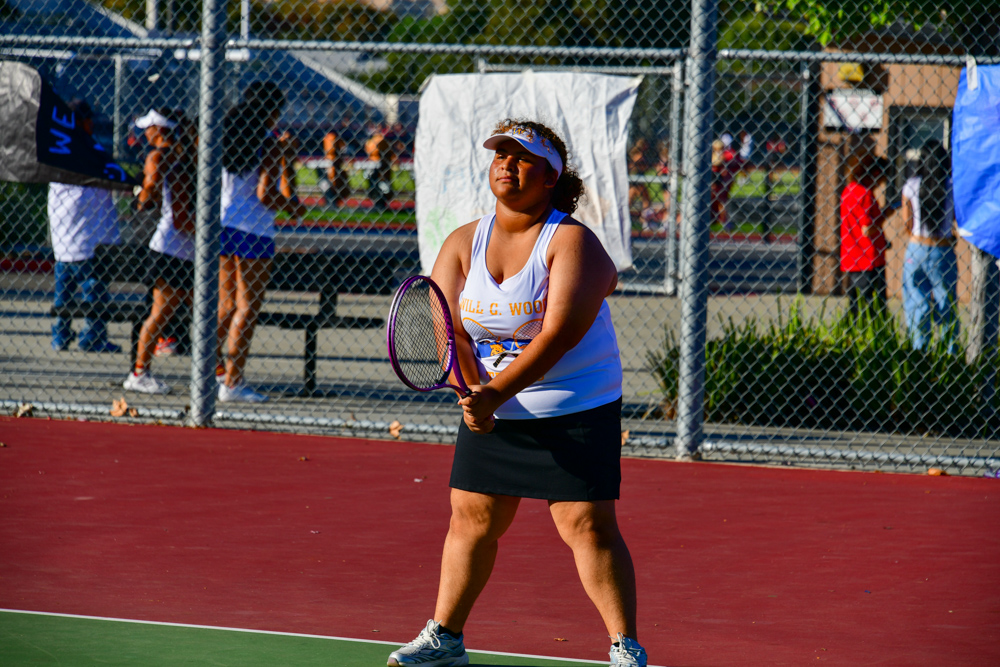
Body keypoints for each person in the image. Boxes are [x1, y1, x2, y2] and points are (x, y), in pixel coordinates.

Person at [387, 119, 647, 667]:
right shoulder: (463, 242)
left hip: (576, 403)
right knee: (471, 518)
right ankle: (445, 638)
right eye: (500, 154)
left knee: (586, 525)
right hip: (495, 407)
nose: (507, 164)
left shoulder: (572, 241)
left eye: (523, 157)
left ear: (550, 176)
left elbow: (558, 335)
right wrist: (470, 391)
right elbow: (449, 331)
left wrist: (493, 394)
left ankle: (625, 647)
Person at [216, 81, 305, 402]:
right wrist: (293, 207)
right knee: (247, 307)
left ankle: (211, 371)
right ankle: (233, 381)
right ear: (271, 112)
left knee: (226, 305)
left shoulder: (229, 135)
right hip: (254, 230)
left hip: (225, 224)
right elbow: (266, 194)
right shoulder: (267, 142)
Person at [122, 111, 198, 394]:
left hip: (185, 254)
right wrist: (213, 236)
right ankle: (139, 373)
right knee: (160, 314)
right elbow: (180, 219)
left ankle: (217, 375)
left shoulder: (185, 164)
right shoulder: (175, 167)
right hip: (170, 252)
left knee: (203, 314)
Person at [47, 98, 123, 353]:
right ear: (83, 122)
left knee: (64, 294)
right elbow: (111, 177)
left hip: (64, 241)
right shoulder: (90, 149)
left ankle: (60, 335)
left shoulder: (57, 148)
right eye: (88, 120)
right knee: (94, 292)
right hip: (90, 242)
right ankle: (93, 336)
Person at [901, 141, 959, 351]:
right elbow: (956, 219)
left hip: (916, 248)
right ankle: (949, 353)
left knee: (917, 301)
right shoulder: (952, 185)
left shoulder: (911, 185)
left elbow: (907, 223)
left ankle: (919, 351)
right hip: (942, 249)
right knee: (946, 302)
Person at [840, 150, 890, 317]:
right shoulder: (865, 194)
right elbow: (867, 229)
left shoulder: (848, 191)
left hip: (852, 256)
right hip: (869, 258)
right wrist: (884, 216)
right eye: (880, 179)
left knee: (856, 306)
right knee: (874, 307)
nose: (880, 184)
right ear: (874, 174)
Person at [364, 129, 393, 211]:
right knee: (374, 183)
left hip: (379, 164)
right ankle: (378, 201)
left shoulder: (380, 140)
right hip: (374, 164)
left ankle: (380, 203)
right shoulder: (373, 140)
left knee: (380, 184)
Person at [321, 129, 348, 207]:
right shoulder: (330, 137)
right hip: (331, 162)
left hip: (334, 162)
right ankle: (331, 200)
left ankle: (334, 200)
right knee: (330, 182)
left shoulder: (334, 137)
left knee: (336, 182)